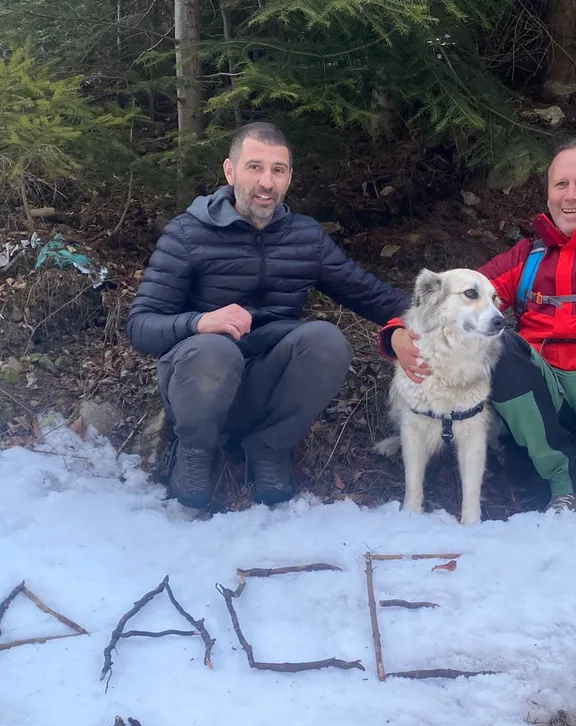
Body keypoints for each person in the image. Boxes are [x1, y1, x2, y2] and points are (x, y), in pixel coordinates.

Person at [381, 139, 576, 515]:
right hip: (545, 400)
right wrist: (397, 330)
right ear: (548, 195)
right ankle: (567, 483)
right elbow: (457, 294)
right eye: (560, 185)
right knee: (501, 345)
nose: (570, 195)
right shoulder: (528, 256)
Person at [128, 122, 414, 516]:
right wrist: (198, 322)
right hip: (198, 388)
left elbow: (370, 294)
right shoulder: (188, 234)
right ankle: (195, 452)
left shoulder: (305, 237)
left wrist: (430, 314)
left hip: (264, 382)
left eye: (277, 170)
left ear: (289, 178)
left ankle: (269, 447)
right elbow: (141, 325)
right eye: (254, 167)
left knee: (326, 340)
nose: (266, 182)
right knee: (215, 350)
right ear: (230, 171)